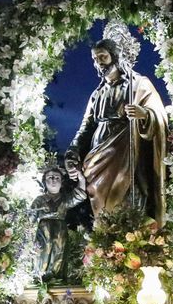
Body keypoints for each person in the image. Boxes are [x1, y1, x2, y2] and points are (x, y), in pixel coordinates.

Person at [66, 21, 167, 222]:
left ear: (115, 56)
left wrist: (144, 114)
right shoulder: (97, 94)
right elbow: (86, 128)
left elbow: (160, 117)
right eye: (95, 59)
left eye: (103, 57)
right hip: (98, 156)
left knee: (126, 204)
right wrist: (73, 151)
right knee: (103, 212)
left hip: (127, 153)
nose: (99, 63)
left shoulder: (138, 84)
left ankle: (128, 247)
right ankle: (107, 246)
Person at [28, 161, 88, 283]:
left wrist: (81, 179)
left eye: (57, 178)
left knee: (59, 253)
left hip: (60, 231)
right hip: (43, 232)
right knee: (42, 253)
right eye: (50, 177)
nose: (54, 180)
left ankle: (57, 277)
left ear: (62, 181)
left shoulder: (65, 199)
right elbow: (30, 219)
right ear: (45, 181)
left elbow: (79, 195)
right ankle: (40, 277)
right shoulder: (39, 200)